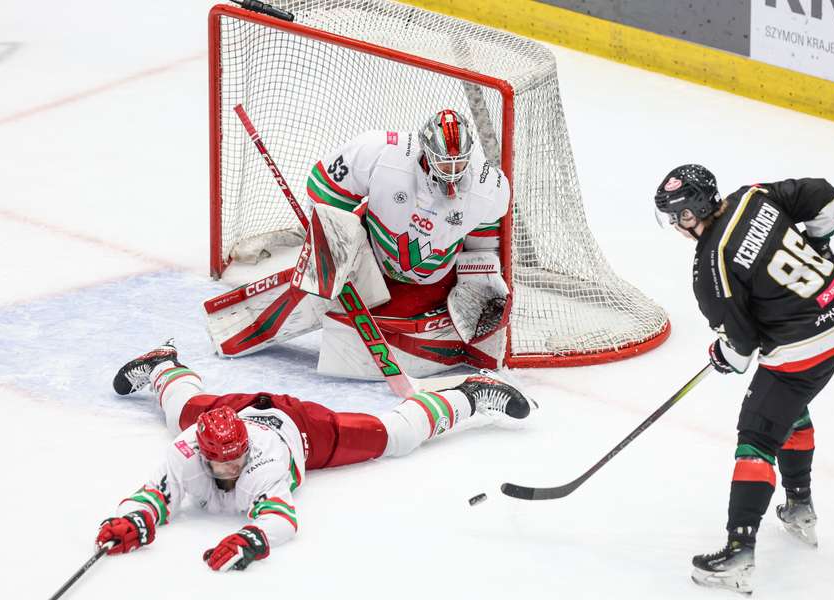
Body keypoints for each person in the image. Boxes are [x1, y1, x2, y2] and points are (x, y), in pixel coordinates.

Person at [99, 340, 532, 571]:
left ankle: (469, 397)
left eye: (237, 458)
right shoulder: (188, 449)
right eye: (222, 461)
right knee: (178, 412)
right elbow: (155, 494)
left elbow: (281, 519)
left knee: (395, 436)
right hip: (237, 406)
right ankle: (161, 362)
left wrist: (253, 539)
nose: (232, 467)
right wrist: (135, 518)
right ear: (203, 452)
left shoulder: (264, 463)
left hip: (301, 428)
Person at [653, 165, 834, 594]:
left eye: (680, 217)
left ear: (694, 213)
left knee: (757, 436)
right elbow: (825, 196)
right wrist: (819, 245)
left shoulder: (710, 266)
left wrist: (721, 353)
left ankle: (738, 553)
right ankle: (799, 507)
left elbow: (742, 351)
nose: (677, 226)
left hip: (804, 350)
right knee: (786, 405)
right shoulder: (753, 195)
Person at [206, 109, 512, 379]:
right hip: (370, 256)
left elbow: (483, 235)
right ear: (427, 151)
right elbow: (323, 185)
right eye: (445, 163)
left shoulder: (490, 188)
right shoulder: (382, 151)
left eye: (460, 162)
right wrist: (335, 243)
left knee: (357, 341)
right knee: (317, 289)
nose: (454, 172)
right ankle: (238, 329)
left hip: (428, 281)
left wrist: (477, 280)